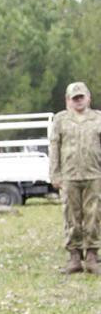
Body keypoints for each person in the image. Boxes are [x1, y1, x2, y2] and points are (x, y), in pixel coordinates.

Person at [49, 81, 101, 275]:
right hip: (69, 176)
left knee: (94, 216)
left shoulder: (98, 119)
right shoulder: (61, 120)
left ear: (88, 98)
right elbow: (54, 148)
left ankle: (92, 257)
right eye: (74, 98)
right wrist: (55, 173)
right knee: (71, 216)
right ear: (68, 100)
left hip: (94, 175)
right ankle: (74, 257)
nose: (78, 101)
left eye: (81, 97)